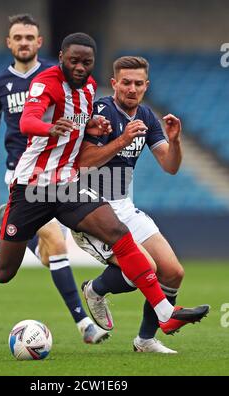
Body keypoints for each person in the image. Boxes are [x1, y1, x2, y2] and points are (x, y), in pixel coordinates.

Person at [0, 33, 209, 340]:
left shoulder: (87, 89)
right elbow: (28, 122)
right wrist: (50, 128)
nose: (80, 67)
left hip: (67, 185)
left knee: (118, 233)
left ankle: (165, 315)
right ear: (61, 57)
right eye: (73, 61)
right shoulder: (45, 83)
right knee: (5, 272)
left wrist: (92, 127)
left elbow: (79, 124)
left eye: (86, 62)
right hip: (32, 186)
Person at [0, 15, 107, 344]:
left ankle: (5, 218)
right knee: (57, 244)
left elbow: (81, 113)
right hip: (22, 172)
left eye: (29, 37)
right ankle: (84, 326)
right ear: (9, 42)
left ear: (39, 43)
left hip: (58, 173)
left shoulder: (59, 75)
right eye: (17, 37)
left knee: (52, 257)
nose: (23, 42)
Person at [72, 55, 198, 352]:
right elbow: (83, 163)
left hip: (124, 206)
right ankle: (96, 289)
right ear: (114, 83)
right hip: (90, 210)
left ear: (146, 86)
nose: (132, 88)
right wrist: (121, 140)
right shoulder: (100, 111)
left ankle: (145, 340)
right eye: (126, 82)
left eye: (138, 83)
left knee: (173, 272)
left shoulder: (147, 116)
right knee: (147, 267)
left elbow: (170, 166)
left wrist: (176, 141)